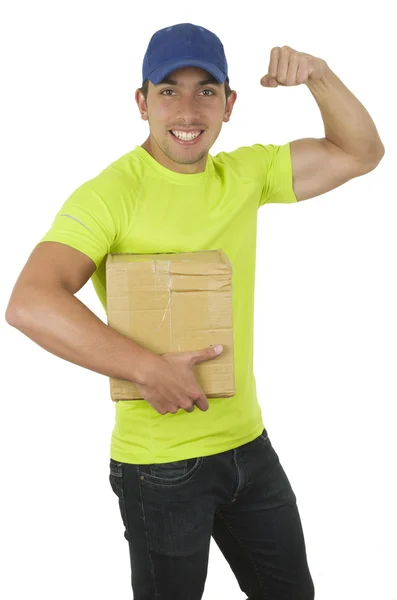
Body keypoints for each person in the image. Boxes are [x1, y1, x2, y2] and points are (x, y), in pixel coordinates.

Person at [5, 22, 384, 600]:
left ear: (230, 105)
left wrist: (320, 75)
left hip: (249, 449)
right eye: (169, 90)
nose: (188, 108)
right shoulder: (110, 194)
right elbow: (31, 301)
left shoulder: (246, 174)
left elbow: (361, 152)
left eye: (206, 90)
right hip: (161, 467)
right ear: (142, 102)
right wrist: (148, 369)